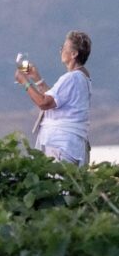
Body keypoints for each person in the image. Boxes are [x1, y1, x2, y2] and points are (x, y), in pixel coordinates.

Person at [15, 30, 92, 166]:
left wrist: (25, 82)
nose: (61, 51)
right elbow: (54, 99)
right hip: (72, 145)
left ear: (74, 54)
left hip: (61, 146)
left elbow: (44, 103)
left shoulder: (71, 78)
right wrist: (37, 78)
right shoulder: (82, 77)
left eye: (64, 48)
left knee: (60, 184)